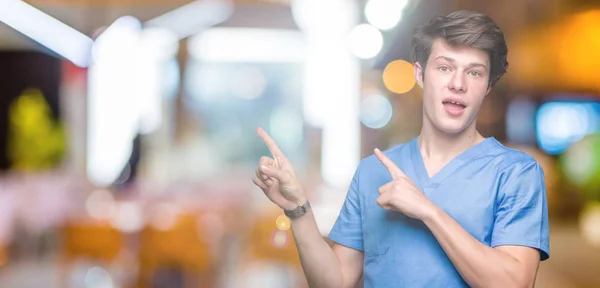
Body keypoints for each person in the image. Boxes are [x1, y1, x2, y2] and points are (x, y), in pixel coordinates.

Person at [252, 10, 550, 288]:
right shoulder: (373, 171)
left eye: (474, 73)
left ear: (487, 86)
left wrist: (428, 212)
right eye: (445, 67)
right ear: (420, 75)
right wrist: (297, 210)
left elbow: (514, 282)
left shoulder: (516, 172)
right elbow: (337, 280)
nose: (458, 83)